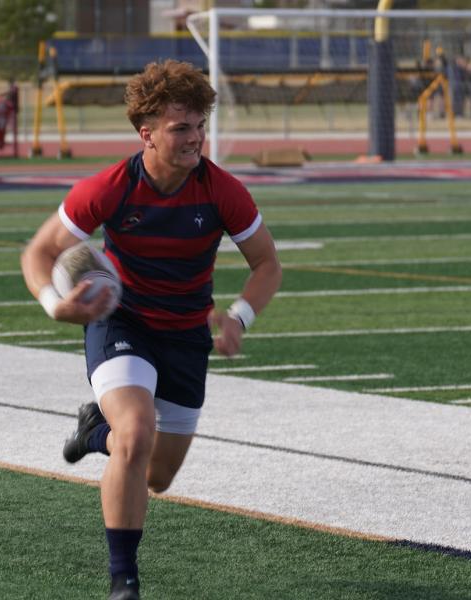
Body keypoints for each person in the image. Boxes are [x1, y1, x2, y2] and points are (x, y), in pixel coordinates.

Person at [20, 59, 282, 599]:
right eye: (180, 128)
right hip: (124, 323)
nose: (195, 139)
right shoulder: (111, 186)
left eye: (200, 126)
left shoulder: (223, 191)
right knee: (136, 436)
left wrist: (238, 318)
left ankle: (96, 433)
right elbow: (41, 251)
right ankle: (124, 584)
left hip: (187, 336)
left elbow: (267, 264)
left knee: (156, 477)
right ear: (147, 135)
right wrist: (54, 304)